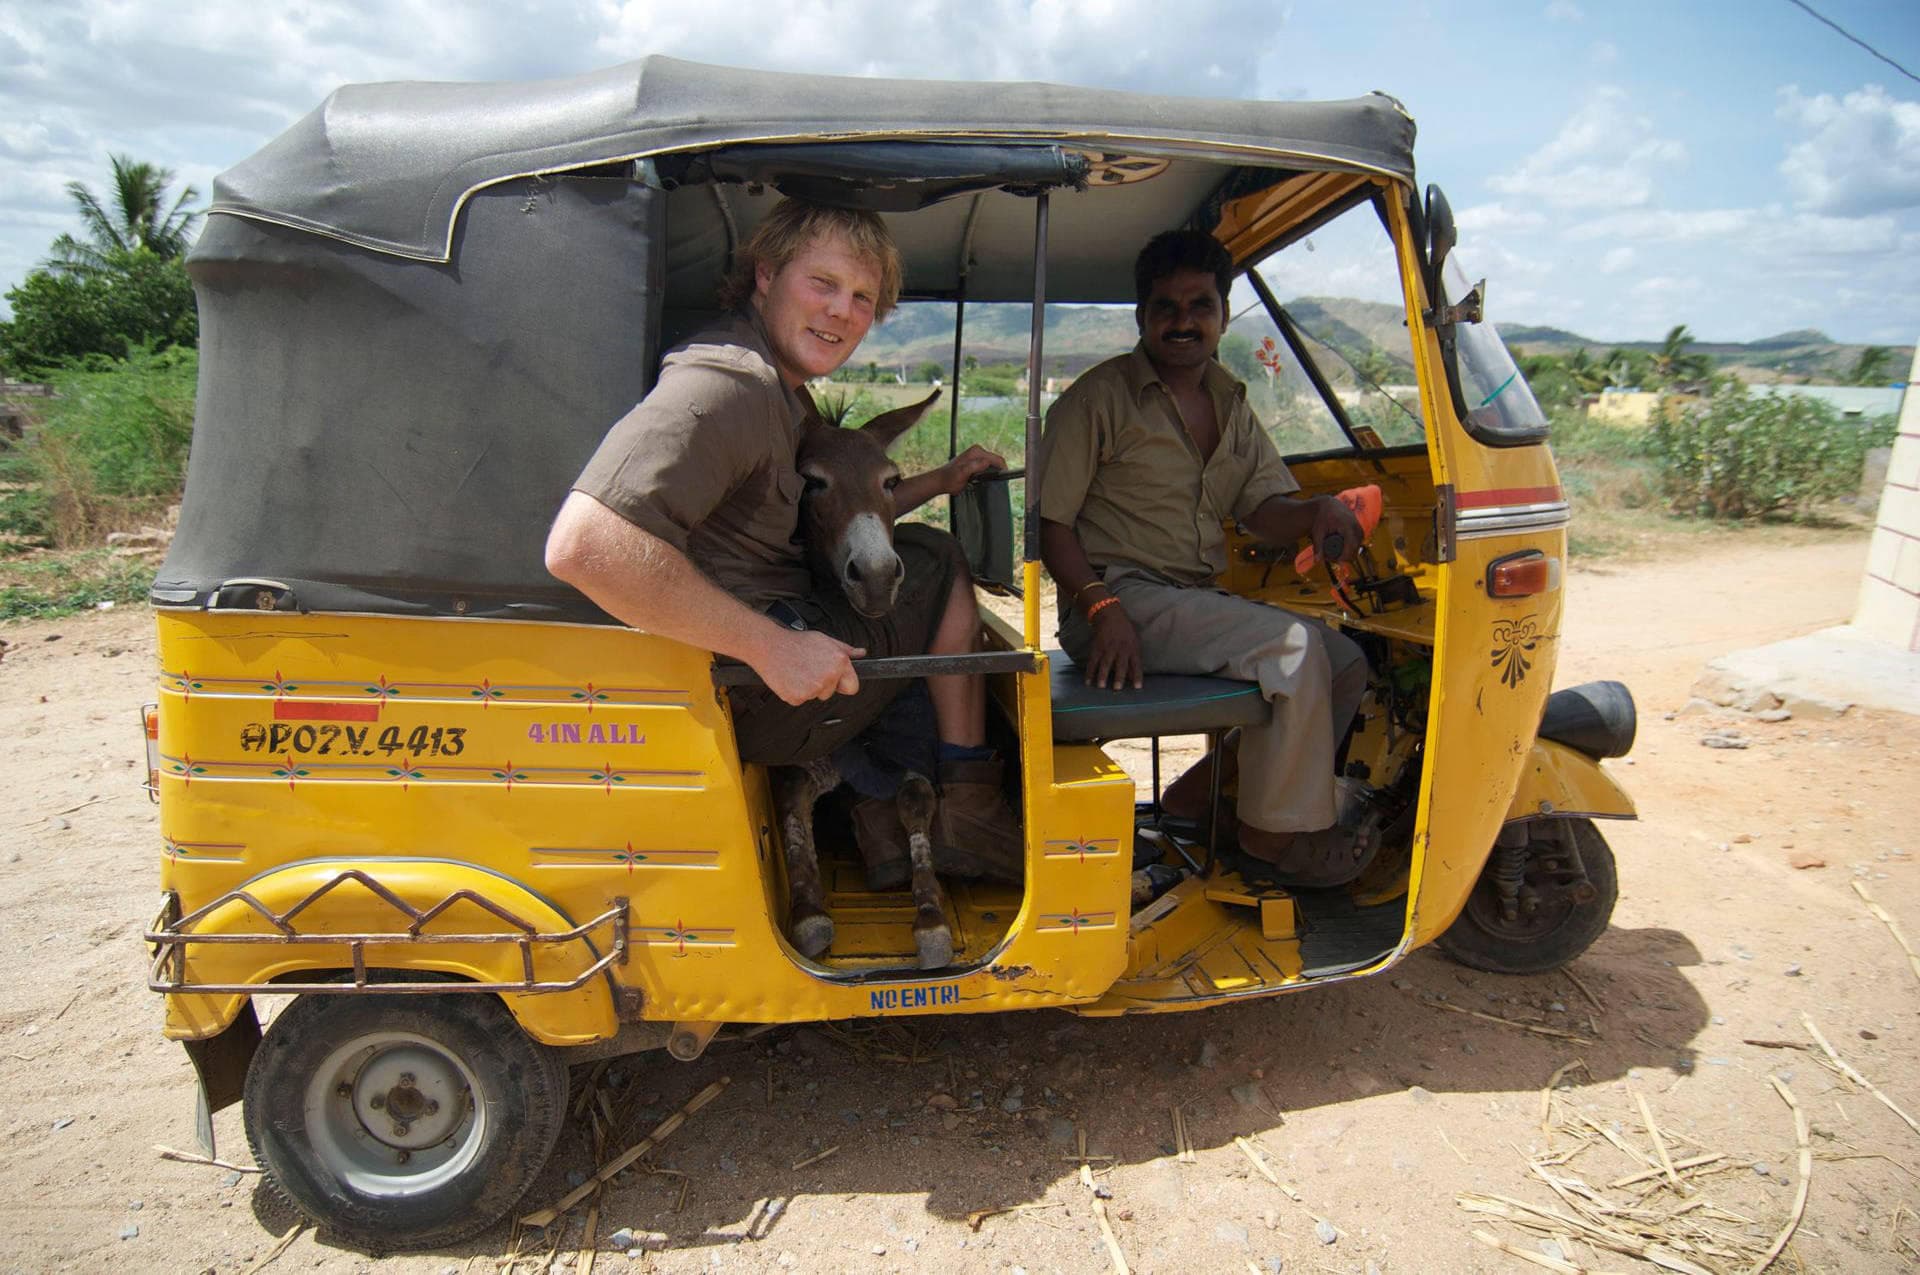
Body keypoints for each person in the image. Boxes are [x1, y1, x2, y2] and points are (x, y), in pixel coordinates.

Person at [546, 198, 1019, 883]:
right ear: (765, 276)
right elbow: (585, 545)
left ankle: (881, 815)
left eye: (862, 297)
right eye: (822, 284)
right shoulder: (728, 385)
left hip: (751, 666)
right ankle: (968, 805)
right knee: (938, 559)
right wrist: (772, 647)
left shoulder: (778, 387)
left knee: (907, 549)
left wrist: (939, 481)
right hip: (754, 690)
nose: (841, 311)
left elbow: (834, 505)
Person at [1034, 229, 1373, 889]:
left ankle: (1197, 802)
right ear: (1143, 317)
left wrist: (1315, 513)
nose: (1183, 321)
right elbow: (1051, 526)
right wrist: (1102, 609)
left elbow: (1262, 506)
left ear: (1222, 315)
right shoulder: (1098, 400)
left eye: (1200, 306)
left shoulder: (1230, 402)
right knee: (1294, 648)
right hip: (1114, 603)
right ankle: (1272, 842)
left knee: (1343, 664)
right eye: (1166, 306)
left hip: (1188, 601)